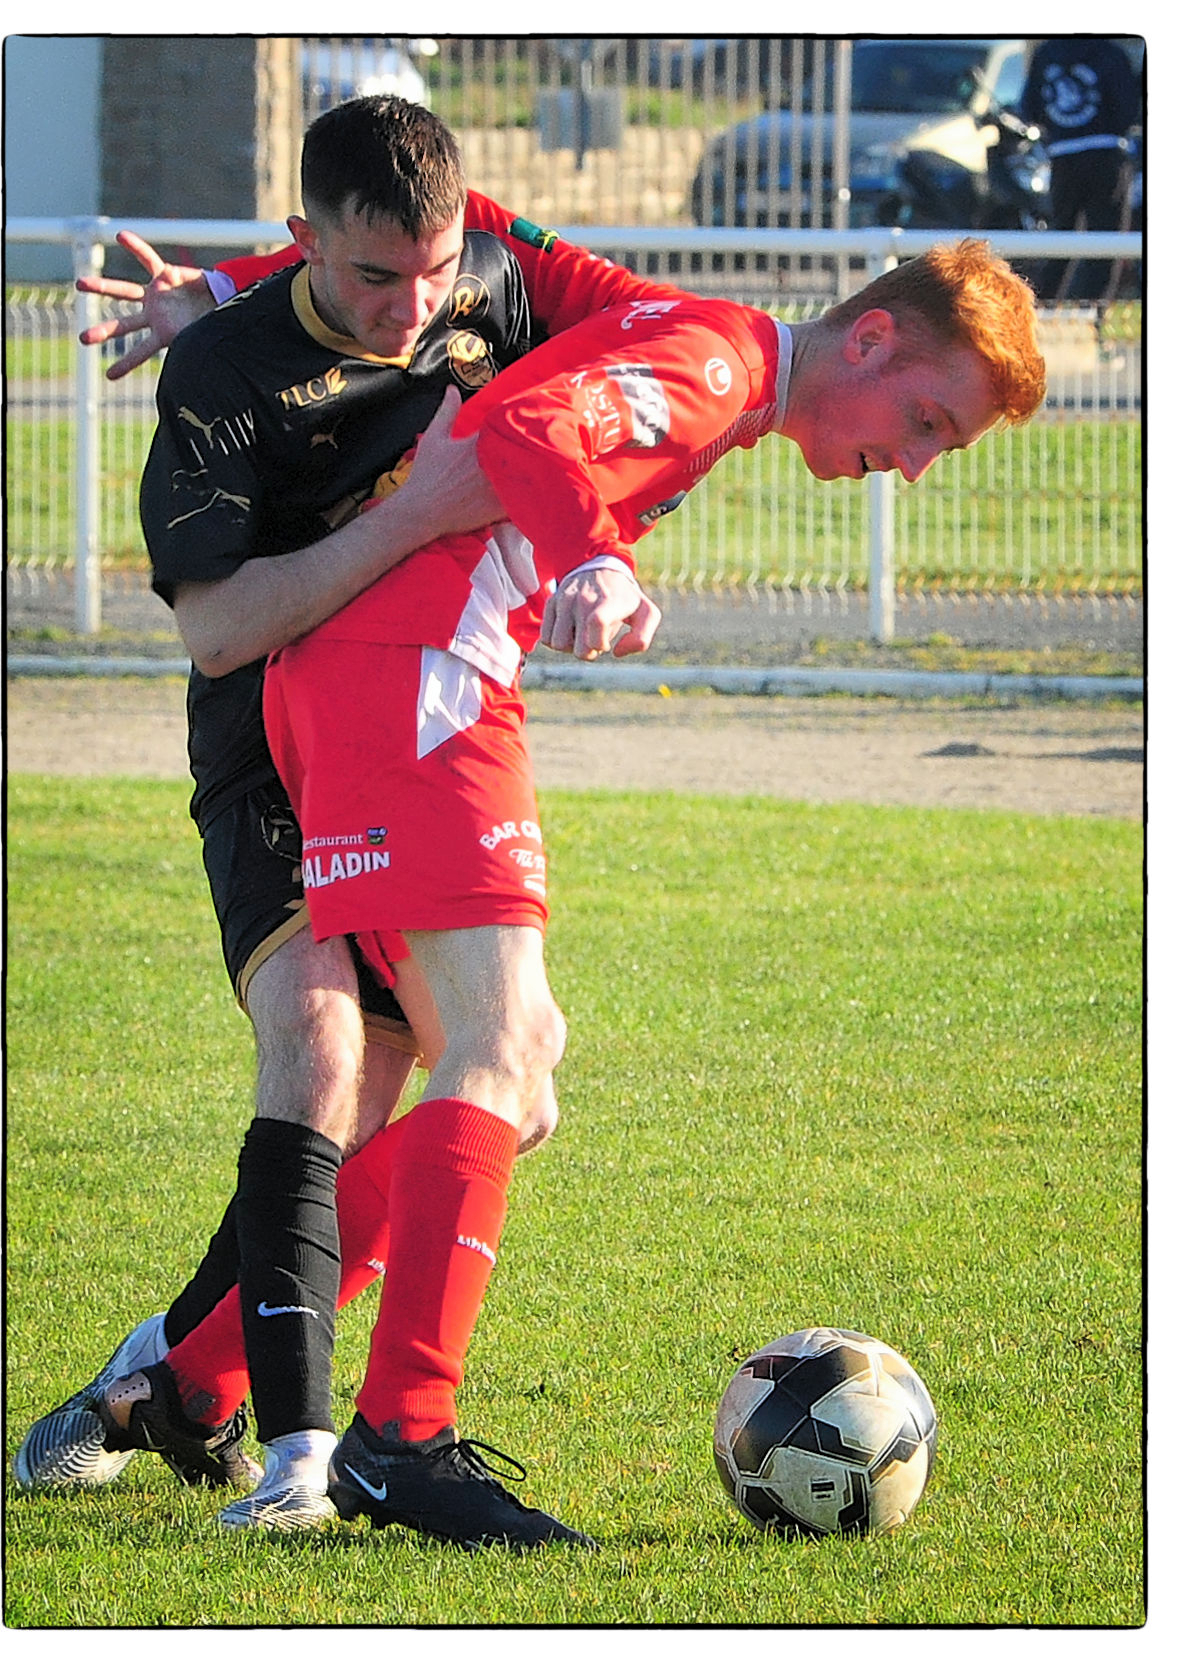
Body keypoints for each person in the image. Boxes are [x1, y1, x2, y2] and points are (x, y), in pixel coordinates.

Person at [250, 238, 1045, 1548]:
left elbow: (476, 224)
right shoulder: (717, 365)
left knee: (515, 1085)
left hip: (378, 672)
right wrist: (593, 560)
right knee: (503, 1049)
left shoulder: (677, 319)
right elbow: (534, 428)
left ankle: (189, 1374)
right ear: (868, 341)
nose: (909, 464)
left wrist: (230, 284)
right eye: (923, 421)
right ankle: (400, 1436)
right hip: (420, 675)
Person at [12, 96, 670, 1536]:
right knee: (319, 1051)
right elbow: (219, 629)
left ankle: (172, 1378)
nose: (410, 308)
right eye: (373, 276)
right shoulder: (224, 369)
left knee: (496, 1090)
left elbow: (645, 354)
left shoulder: (488, 278)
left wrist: (595, 548)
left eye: (433, 273)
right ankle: (310, 1458)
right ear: (303, 239)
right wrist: (414, 512)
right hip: (264, 739)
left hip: (407, 729)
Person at [1021, 37, 1142, 304]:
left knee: (1061, 235)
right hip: (1107, 153)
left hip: (1063, 157)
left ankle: (1045, 304)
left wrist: (1061, 130)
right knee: (1106, 240)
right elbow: (1128, 108)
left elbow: (1031, 108)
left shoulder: (1046, 53)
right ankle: (1094, 308)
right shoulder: (1110, 53)